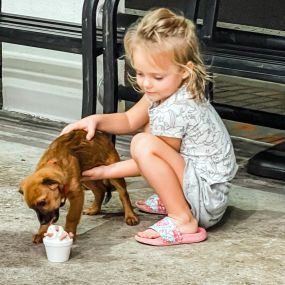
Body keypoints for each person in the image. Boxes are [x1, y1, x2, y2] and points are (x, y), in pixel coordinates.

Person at [61, 8, 238, 246]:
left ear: (184, 71)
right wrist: (95, 120)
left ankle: (182, 218)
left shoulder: (176, 109)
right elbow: (129, 120)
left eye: (156, 76)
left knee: (143, 144)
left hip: (206, 201)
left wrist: (104, 172)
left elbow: (151, 160)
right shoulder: (167, 90)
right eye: (140, 73)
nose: (145, 83)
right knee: (145, 138)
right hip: (202, 188)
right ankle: (176, 201)